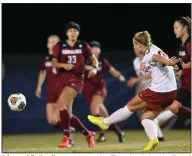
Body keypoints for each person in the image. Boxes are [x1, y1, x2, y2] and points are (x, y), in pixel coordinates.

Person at [88, 31, 181, 152]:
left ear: (140, 44)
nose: (134, 47)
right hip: (170, 92)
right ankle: (153, 140)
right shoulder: (154, 48)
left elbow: (156, 58)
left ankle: (105, 122)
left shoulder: (151, 54)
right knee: (146, 117)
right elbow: (155, 61)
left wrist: (167, 62)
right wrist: (149, 65)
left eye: (134, 44)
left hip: (159, 91)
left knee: (129, 107)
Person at [52, 22, 99, 148]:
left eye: (75, 30)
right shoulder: (60, 45)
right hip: (62, 80)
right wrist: (63, 65)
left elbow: (94, 58)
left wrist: (94, 68)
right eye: (70, 30)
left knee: (60, 104)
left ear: (78, 33)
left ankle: (66, 138)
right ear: (66, 33)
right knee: (67, 113)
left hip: (77, 80)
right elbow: (54, 63)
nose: (73, 32)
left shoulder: (83, 45)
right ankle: (88, 133)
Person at [127, 50, 176, 141]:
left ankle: (177, 110)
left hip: (159, 87)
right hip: (149, 89)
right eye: (135, 45)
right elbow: (142, 77)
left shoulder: (151, 57)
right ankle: (160, 137)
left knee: (149, 115)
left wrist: (136, 80)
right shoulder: (135, 61)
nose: (136, 48)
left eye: (139, 44)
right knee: (149, 115)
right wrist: (141, 88)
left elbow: (151, 75)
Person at [83, 41, 126, 142]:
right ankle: (119, 133)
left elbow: (111, 69)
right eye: (92, 47)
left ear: (100, 50)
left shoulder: (102, 60)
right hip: (88, 91)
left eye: (97, 48)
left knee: (94, 110)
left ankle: (102, 135)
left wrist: (119, 76)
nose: (95, 49)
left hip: (99, 88)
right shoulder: (85, 60)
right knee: (105, 116)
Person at [35, 35, 75, 140]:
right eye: (50, 42)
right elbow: (42, 72)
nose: (52, 44)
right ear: (47, 44)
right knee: (52, 120)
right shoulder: (46, 59)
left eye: (55, 42)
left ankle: (68, 138)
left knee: (63, 115)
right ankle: (68, 129)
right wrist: (39, 86)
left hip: (63, 90)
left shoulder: (63, 57)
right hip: (51, 90)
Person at [169, 16, 191, 120]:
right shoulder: (182, 46)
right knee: (174, 107)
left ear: (185, 28)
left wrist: (181, 67)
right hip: (187, 85)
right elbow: (185, 63)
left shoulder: (189, 43)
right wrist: (181, 72)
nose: (174, 30)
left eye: (177, 27)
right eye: (174, 28)